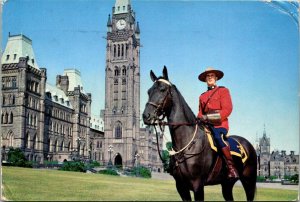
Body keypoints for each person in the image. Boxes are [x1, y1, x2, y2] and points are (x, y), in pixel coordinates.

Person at [197, 67, 239, 180]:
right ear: (205, 79)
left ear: (216, 78)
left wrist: (209, 117)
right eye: (207, 76)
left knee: (217, 137)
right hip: (206, 126)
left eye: (212, 76)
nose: (210, 78)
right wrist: (199, 118)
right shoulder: (202, 96)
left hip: (219, 125)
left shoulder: (223, 91)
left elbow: (227, 109)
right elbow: (200, 113)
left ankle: (231, 168)